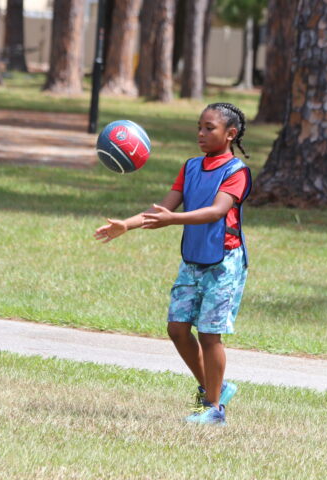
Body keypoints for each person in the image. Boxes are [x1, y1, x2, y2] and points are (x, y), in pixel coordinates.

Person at [94, 102, 252, 425]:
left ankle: (214, 408)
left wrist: (173, 220)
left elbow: (216, 211)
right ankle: (215, 389)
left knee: (210, 335)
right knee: (177, 328)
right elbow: (162, 209)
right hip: (193, 262)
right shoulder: (191, 167)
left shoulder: (236, 172)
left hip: (224, 264)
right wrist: (127, 223)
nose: (201, 134)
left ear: (230, 134)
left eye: (210, 128)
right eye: (199, 127)